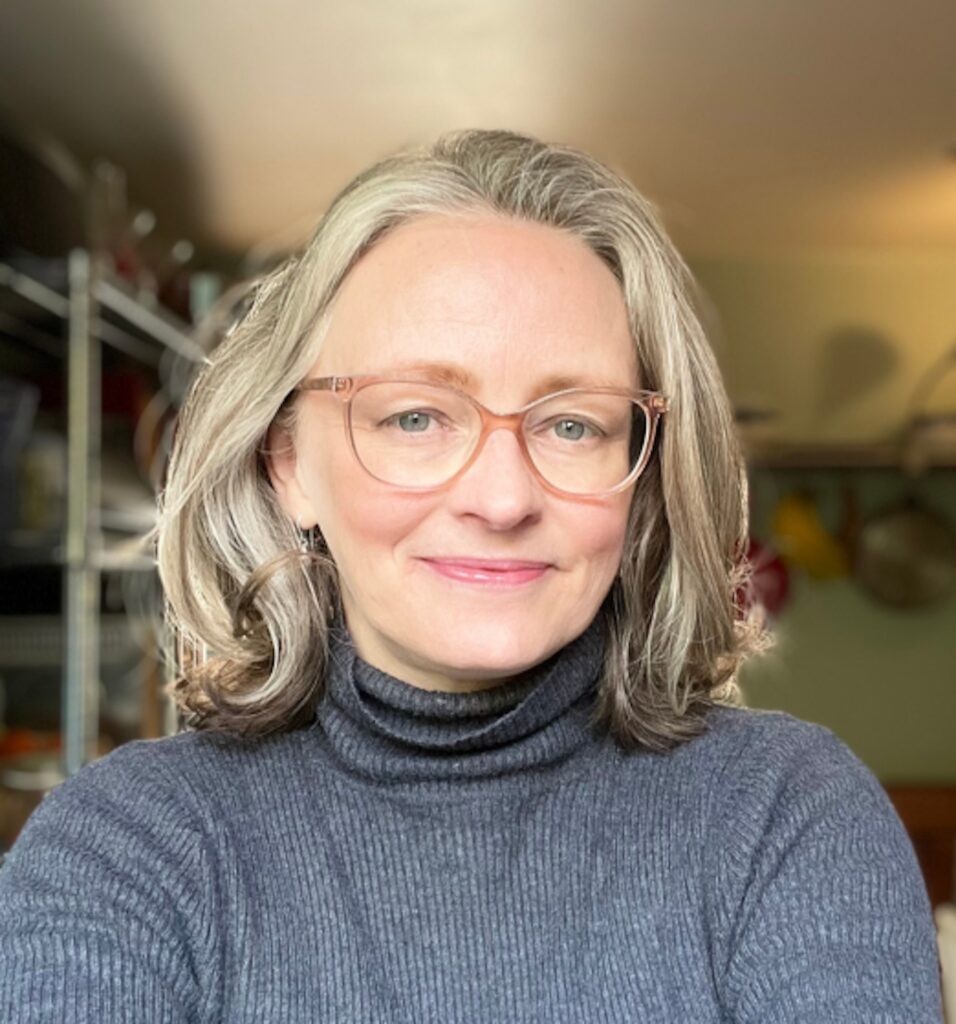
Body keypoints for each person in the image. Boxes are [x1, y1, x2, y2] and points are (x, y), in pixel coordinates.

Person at [0, 130, 944, 1022]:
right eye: (415, 417)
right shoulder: (128, 845)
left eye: (572, 424)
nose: (501, 499)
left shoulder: (787, 813)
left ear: (644, 472)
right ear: (288, 463)